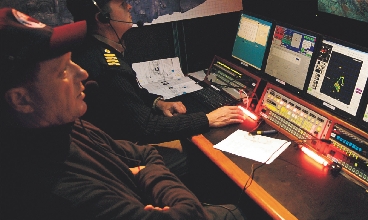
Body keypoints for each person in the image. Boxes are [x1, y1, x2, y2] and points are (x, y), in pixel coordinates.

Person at [0, 8, 250, 220]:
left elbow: (145, 155)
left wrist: (144, 174)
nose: (83, 73)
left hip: (152, 209)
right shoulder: (59, 194)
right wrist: (148, 177)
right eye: (63, 71)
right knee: (242, 218)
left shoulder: (65, 128)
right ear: (21, 100)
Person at [64, 0, 245, 175]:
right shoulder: (107, 67)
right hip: (119, 156)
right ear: (102, 17)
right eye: (121, 4)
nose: (129, 6)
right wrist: (207, 119)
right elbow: (147, 128)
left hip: (111, 144)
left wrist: (158, 103)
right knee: (198, 154)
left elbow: (129, 92)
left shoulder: (97, 47)